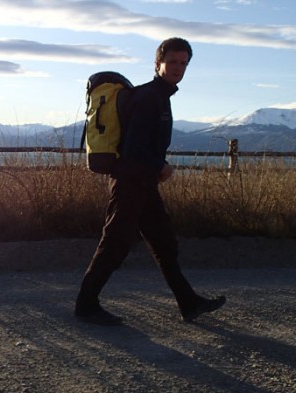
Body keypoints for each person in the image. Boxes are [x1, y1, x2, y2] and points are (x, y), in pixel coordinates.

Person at [75, 37, 226, 326]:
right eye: (172, 61)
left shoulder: (158, 96)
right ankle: (85, 305)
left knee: (163, 242)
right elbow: (135, 147)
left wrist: (154, 169)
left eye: (183, 63)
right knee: (115, 244)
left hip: (143, 184)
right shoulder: (149, 98)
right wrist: (162, 166)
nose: (178, 67)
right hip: (132, 182)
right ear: (158, 63)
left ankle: (188, 302)